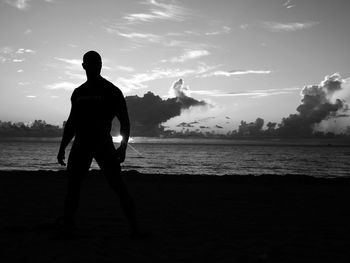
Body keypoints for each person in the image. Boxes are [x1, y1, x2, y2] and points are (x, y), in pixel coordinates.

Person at [57, 50, 142, 237]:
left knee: (118, 185)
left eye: (98, 62)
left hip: (102, 143)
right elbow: (72, 122)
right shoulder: (78, 92)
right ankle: (68, 224)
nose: (96, 65)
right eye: (91, 62)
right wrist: (63, 147)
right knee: (73, 187)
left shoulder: (111, 91)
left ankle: (135, 227)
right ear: (84, 66)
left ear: (101, 64)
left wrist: (123, 146)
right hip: (81, 144)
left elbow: (124, 121)